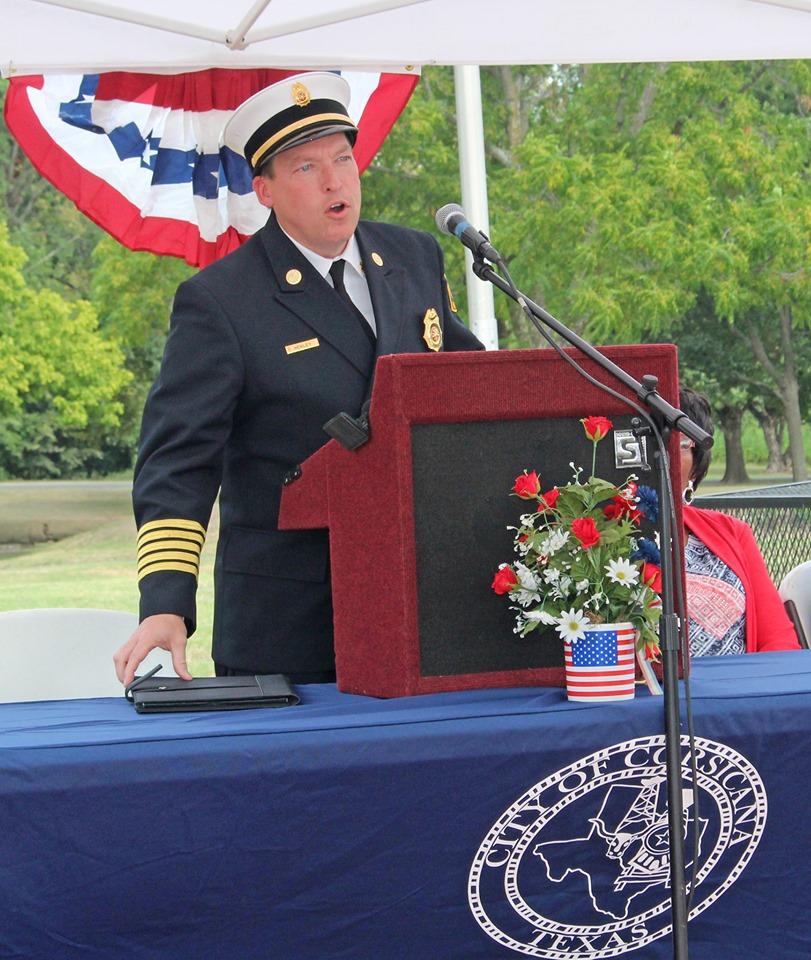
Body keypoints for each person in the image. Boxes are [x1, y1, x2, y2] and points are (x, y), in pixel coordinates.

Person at [114, 72, 484, 687]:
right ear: (264, 190)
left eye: (343, 158)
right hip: (287, 628)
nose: (335, 180)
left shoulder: (415, 258)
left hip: (422, 605)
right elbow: (177, 461)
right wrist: (165, 602)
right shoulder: (221, 301)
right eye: (306, 168)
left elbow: (460, 383)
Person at [678, 386, 799, 655]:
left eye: (679, 445)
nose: (660, 456)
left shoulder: (732, 533)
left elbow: (779, 641)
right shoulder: (594, 540)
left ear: (696, 464)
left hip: (737, 690)